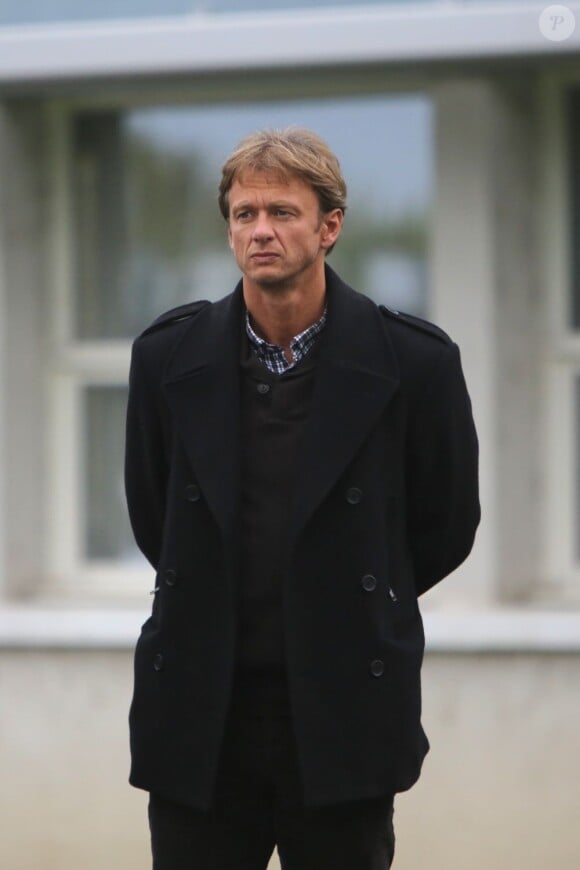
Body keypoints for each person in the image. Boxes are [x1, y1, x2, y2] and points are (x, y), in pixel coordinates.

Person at [124, 127, 480, 870]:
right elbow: (156, 517)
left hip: (343, 710)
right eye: (245, 213)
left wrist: (360, 594)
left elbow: (445, 525)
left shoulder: (414, 361)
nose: (261, 231)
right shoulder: (166, 357)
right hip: (202, 713)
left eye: (283, 212)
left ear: (329, 226)